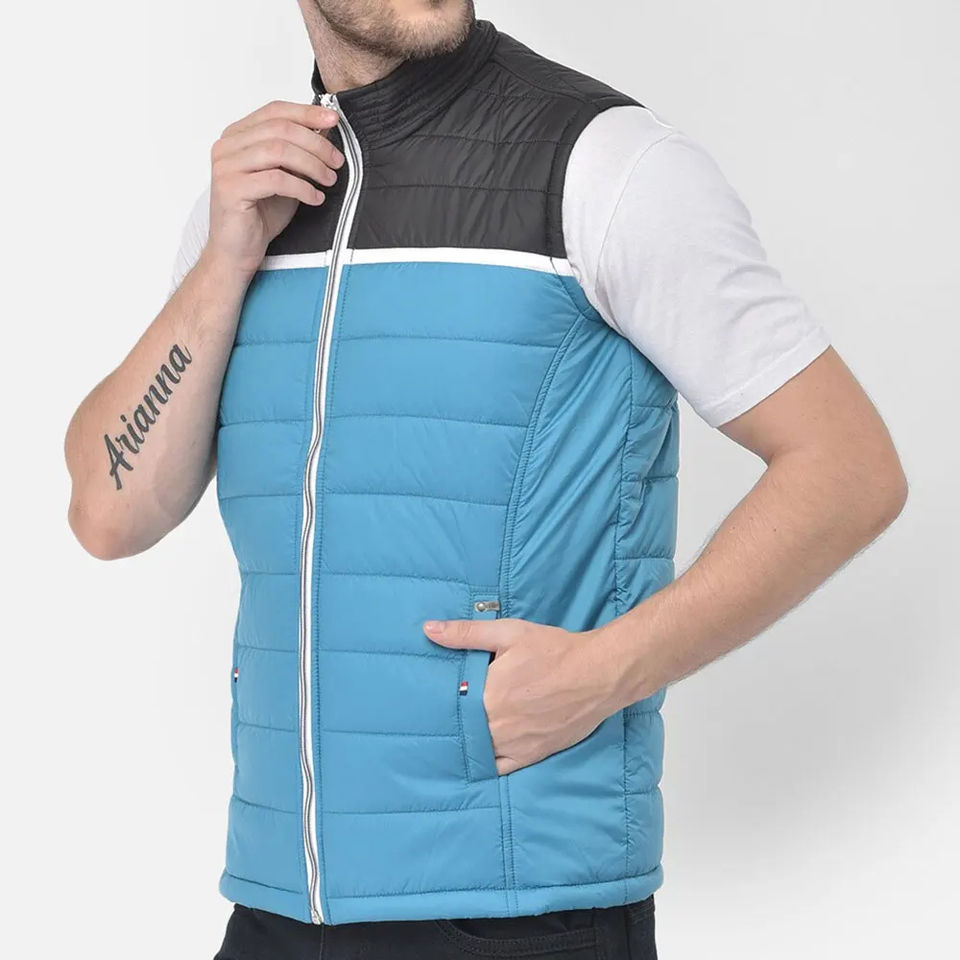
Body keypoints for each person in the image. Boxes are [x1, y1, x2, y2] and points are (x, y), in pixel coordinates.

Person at [63, 2, 908, 958]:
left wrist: (605, 672)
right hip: (277, 905)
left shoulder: (605, 164)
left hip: (515, 911)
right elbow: (109, 511)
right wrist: (224, 259)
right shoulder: (251, 209)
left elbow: (848, 468)